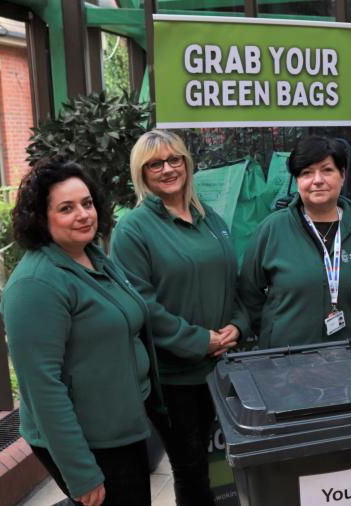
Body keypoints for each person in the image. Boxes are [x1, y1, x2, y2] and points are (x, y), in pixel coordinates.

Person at [2, 158, 162, 506]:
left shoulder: (92, 256)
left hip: (123, 427)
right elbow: (42, 388)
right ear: (41, 218)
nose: (83, 214)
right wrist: (80, 474)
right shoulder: (35, 285)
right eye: (66, 208)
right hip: (92, 443)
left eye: (87, 203)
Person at [110, 130, 249, 505]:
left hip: (221, 368)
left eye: (175, 160)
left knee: (225, 463)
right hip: (174, 380)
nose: (168, 169)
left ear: (187, 164)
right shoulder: (133, 230)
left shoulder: (209, 217)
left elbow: (230, 281)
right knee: (191, 470)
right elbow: (141, 304)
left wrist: (238, 325)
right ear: (141, 173)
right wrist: (200, 341)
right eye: (155, 164)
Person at [239, 135, 351, 348]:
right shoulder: (272, 229)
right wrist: (272, 329)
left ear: (342, 176)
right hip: (284, 359)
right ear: (297, 181)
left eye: (327, 170)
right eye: (306, 173)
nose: (317, 180)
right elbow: (249, 293)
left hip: (348, 356)